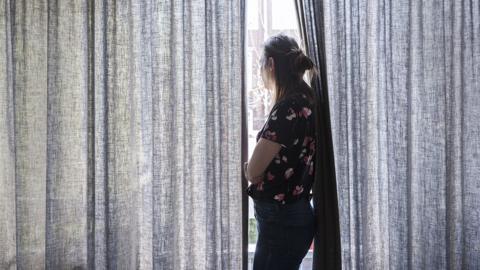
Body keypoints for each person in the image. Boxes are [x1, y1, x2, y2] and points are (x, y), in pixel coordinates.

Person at [244, 33, 318, 270]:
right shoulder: (306, 100)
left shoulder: (287, 108)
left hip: (281, 221)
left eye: (260, 64)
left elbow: (253, 170)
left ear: (271, 65)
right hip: (294, 215)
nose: (259, 71)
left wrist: (249, 170)